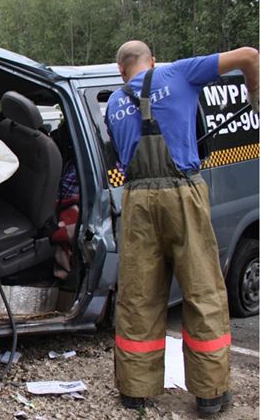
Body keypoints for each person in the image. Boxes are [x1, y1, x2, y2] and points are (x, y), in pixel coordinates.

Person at [105, 41, 259, 414]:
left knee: (139, 296)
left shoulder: (112, 104)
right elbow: (250, 56)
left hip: (138, 200)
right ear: (153, 61)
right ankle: (209, 394)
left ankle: (135, 390)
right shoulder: (178, 72)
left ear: (122, 70)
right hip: (183, 193)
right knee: (202, 292)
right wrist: (255, 94)